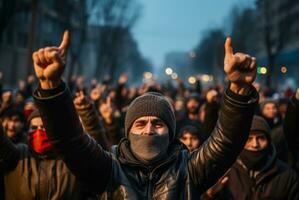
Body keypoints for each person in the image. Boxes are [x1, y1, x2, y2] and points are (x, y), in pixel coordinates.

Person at [32, 31, 258, 199]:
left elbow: (227, 141)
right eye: (140, 123)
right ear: (128, 130)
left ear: (171, 131)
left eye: (158, 123)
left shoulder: (190, 169)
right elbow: (71, 143)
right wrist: (51, 87)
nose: (149, 130)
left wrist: (238, 91)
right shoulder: (109, 168)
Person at [0, 109, 99, 199]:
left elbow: (95, 153)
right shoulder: (19, 154)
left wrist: (86, 111)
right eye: (34, 128)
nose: (38, 132)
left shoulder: (70, 158)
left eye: (44, 128)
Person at [224, 116, 299, 199]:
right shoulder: (225, 173)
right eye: (248, 139)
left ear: (269, 141)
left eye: (261, 138)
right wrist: (210, 195)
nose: (255, 144)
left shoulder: (287, 175)